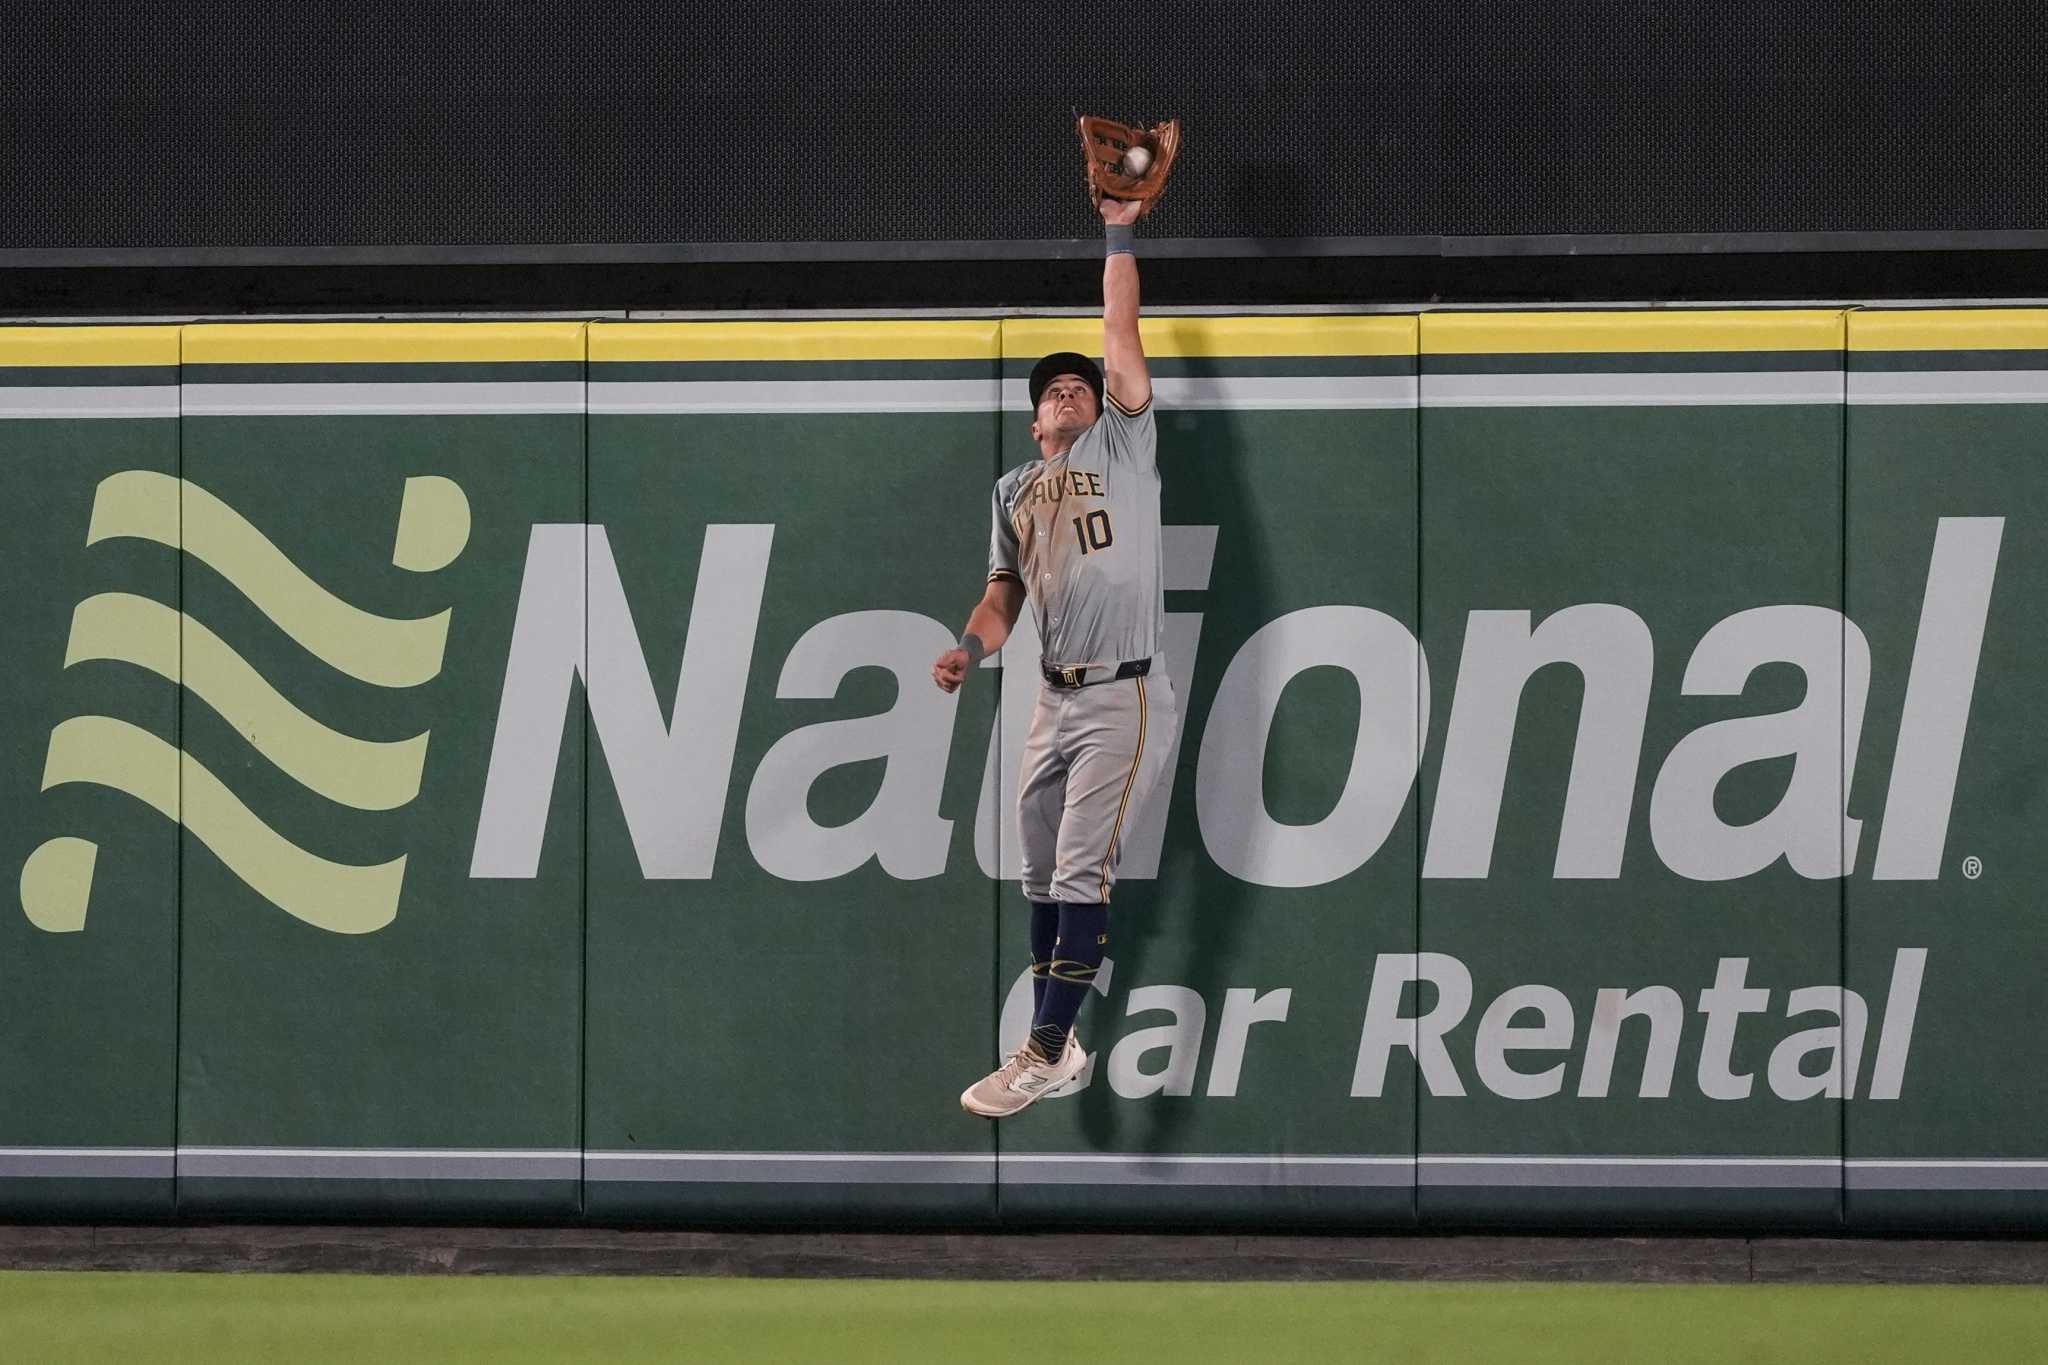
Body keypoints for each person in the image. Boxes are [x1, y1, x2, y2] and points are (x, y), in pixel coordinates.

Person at [932, 196, 1180, 1118]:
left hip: (1126, 688)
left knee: (1079, 873)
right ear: (1036, 421)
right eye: (1052, 390)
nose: (1068, 391)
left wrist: (1119, 229)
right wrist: (967, 648)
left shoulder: (1125, 445)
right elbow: (1003, 598)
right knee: (1037, 873)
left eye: (1078, 385)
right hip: (1051, 695)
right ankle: (1060, 1040)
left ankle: (1041, 1048)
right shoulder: (1013, 488)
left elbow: (1120, 325)